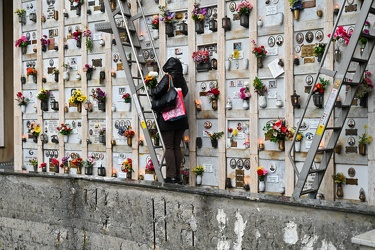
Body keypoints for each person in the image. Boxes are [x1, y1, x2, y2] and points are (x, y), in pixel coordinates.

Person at [151, 57, 189, 184]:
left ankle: (171, 176)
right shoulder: (182, 79)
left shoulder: (168, 78)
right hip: (181, 119)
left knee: (169, 147)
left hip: (168, 119)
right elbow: (185, 92)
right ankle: (177, 175)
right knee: (176, 147)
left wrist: (152, 85)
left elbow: (156, 92)